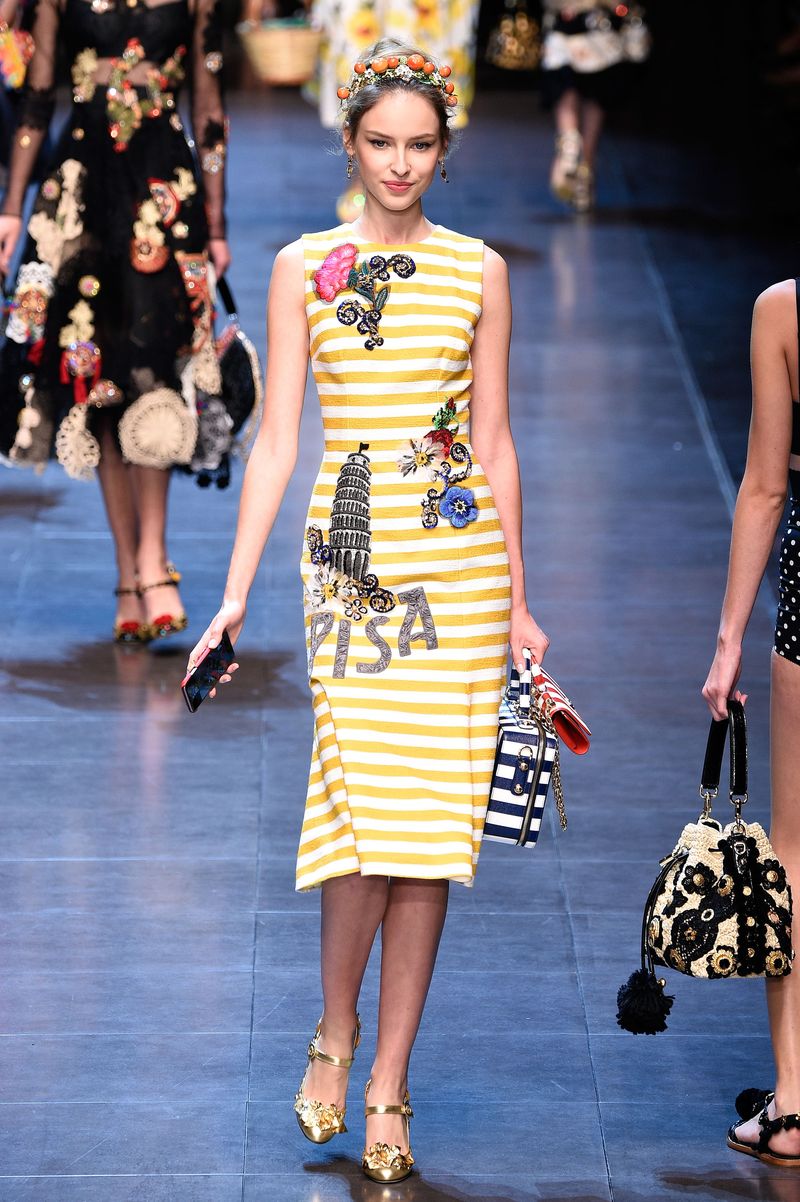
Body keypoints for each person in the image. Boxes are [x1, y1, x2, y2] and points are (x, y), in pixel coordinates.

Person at [190, 36, 549, 1182]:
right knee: (358, 811)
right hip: (348, 561)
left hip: (458, 563)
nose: (398, 163)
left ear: (443, 153)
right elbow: (280, 440)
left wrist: (523, 602)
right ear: (349, 143)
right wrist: (236, 591)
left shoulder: (480, 269)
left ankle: (389, 1073)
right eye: (380, 142)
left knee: (429, 832)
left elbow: (492, 440)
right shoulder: (305, 265)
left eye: (418, 145)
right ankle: (333, 1028)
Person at [0, 0, 231, 644]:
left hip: (163, 195)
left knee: (154, 368)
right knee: (95, 378)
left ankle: (154, 557)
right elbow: (38, 99)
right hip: (80, 198)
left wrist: (215, 221)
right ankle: (127, 567)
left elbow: (209, 106)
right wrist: (12, 209)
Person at [703, 279, 800, 1167]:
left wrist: (729, 638)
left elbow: (767, 487)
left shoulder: (785, 310)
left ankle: (796, 1100)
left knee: (797, 852)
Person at [541, 0, 650, 212]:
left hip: (566, 12)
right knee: (595, 94)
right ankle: (585, 170)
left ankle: (569, 146)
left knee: (564, 82)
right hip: (600, 20)